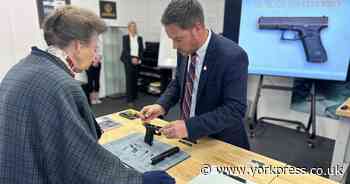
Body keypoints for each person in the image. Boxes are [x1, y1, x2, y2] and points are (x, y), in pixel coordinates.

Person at [0, 6, 174, 184]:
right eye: (94, 47)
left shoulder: (22, 67)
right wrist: (138, 180)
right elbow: (83, 160)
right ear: (77, 46)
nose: (95, 54)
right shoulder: (62, 85)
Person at [138, 0, 250, 149]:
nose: (174, 46)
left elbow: (234, 109)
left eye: (178, 39)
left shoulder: (233, 56)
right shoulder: (185, 49)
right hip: (190, 139)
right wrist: (161, 105)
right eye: (172, 40)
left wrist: (189, 127)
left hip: (221, 142)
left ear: (197, 28)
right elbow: (179, 82)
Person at [120, 21, 144, 107]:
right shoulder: (125, 38)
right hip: (128, 60)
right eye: (131, 27)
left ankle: (134, 96)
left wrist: (139, 59)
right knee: (129, 79)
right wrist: (131, 59)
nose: (133, 28)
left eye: (134, 27)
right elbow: (125, 50)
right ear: (129, 28)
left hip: (137, 60)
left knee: (135, 79)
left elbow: (141, 50)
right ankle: (129, 100)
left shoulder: (139, 38)